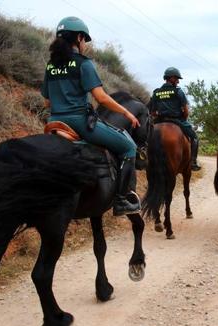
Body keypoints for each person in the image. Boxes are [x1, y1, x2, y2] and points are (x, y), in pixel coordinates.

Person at [41, 16, 141, 216]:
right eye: (84, 39)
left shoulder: (50, 66)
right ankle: (121, 200)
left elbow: (47, 102)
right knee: (129, 147)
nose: (85, 44)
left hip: (54, 123)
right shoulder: (83, 63)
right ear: (79, 38)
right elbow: (101, 98)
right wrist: (126, 112)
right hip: (79, 123)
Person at [148, 67, 201, 171]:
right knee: (195, 138)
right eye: (177, 78)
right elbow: (186, 111)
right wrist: (184, 119)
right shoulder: (178, 92)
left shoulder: (156, 93)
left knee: (145, 137)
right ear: (171, 78)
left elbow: (153, 112)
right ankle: (193, 162)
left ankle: (143, 160)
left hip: (159, 120)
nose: (178, 81)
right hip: (176, 120)